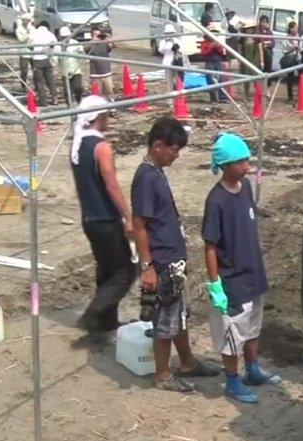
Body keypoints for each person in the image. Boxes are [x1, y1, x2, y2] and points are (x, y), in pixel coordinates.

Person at [132, 118, 219, 393]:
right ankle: (162, 373)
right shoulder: (146, 177)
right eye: (174, 149)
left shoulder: (155, 171)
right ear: (158, 146)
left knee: (178, 313)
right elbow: (139, 224)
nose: (176, 155)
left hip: (171, 257)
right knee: (165, 318)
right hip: (161, 261)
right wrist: (148, 266)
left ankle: (188, 361)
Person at [202, 133, 280, 404]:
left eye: (247, 160)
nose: (246, 166)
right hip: (232, 277)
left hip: (253, 272)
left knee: (253, 325)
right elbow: (210, 245)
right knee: (232, 332)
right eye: (240, 162)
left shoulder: (245, 187)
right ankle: (233, 380)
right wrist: (215, 283)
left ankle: (253, 368)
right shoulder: (216, 200)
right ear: (225, 165)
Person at [69, 95, 135, 333]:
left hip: (89, 218)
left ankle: (106, 321)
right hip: (106, 218)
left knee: (106, 269)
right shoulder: (101, 147)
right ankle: (94, 314)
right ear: (99, 116)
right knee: (124, 271)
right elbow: (111, 184)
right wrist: (128, 216)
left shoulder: (77, 145)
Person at [30, 21, 58, 106]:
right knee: (50, 79)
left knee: (40, 81)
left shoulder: (33, 33)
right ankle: (55, 98)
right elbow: (54, 45)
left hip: (37, 59)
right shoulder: (50, 34)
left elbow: (29, 45)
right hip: (47, 58)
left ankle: (43, 101)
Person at [56, 27, 84, 106]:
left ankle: (79, 101)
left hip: (76, 69)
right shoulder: (58, 46)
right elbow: (55, 59)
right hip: (65, 71)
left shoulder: (75, 43)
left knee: (78, 87)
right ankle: (69, 105)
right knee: (67, 90)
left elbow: (82, 53)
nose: (65, 39)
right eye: (63, 37)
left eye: (66, 37)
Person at [200, 34, 228, 103]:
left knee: (221, 79)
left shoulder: (217, 42)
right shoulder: (204, 43)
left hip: (218, 62)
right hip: (209, 62)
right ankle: (213, 99)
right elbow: (204, 53)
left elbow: (222, 53)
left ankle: (222, 97)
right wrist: (211, 47)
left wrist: (218, 48)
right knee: (210, 80)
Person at [86, 29, 114, 98]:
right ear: (92, 35)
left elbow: (113, 47)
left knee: (109, 92)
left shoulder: (105, 43)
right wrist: (93, 42)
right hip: (95, 74)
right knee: (97, 95)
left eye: (99, 34)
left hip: (107, 73)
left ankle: (111, 106)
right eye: (95, 34)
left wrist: (110, 39)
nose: (98, 36)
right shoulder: (90, 44)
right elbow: (84, 50)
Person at [281, 21, 303, 103]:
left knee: (301, 77)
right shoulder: (286, 39)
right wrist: (292, 49)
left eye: (296, 28)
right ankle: (290, 97)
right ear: (290, 29)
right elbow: (284, 51)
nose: (295, 30)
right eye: (293, 28)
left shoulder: (300, 37)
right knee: (290, 78)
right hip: (290, 59)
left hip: (299, 59)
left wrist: (300, 49)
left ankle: (301, 95)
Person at [239, 23, 262, 100]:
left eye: (251, 28)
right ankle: (246, 94)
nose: (249, 30)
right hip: (245, 60)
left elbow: (260, 49)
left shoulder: (256, 38)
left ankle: (258, 94)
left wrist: (262, 61)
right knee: (246, 78)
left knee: (256, 78)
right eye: (248, 28)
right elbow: (239, 49)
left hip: (254, 60)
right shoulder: (242, 38)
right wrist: (239, 60)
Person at [158, 24, 181, 92]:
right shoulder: (162, 42)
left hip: (177, 62)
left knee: (178, 80)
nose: (169, 35)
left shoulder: (177, 40)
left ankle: (178, 97)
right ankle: (170, 99)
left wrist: (173, 42)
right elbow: (161, 50)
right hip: (167, 62)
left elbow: (179, 49)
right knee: (169, 81)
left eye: (171, 33)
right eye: (167, 33)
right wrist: (166, 42)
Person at [15, 14, 33, 94]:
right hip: (24, 52)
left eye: (28, 20)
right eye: (26, 20)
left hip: (32, 51)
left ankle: (36, 85)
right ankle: (23, 85)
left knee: (35, 68)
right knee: (24, 70)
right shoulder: (19, 29)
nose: (27, 22)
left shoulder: (32, 28)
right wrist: (27, 34)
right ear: (23, 20)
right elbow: (21, 40)